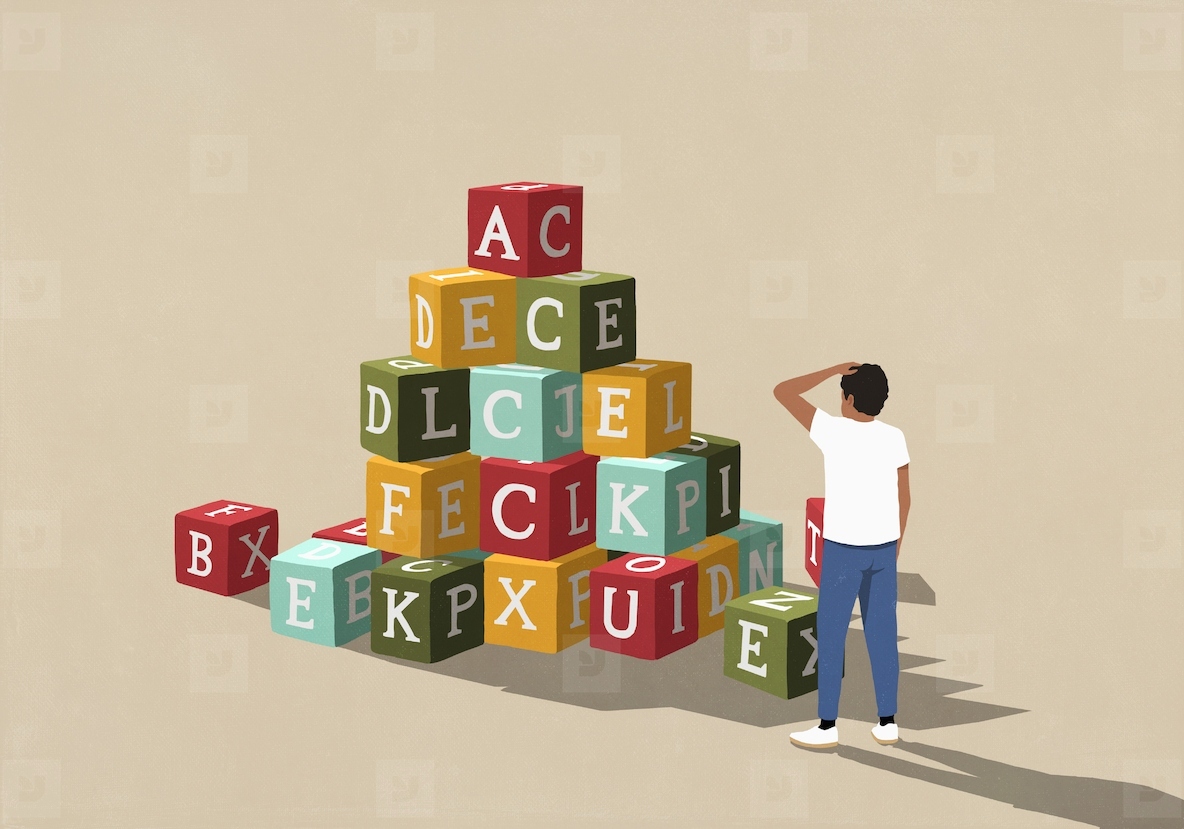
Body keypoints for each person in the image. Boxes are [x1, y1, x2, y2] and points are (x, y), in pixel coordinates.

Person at [773, 362, 911, 749]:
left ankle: (827, 726)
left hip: (842, 550)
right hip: (883, 549)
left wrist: (832, 367)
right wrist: (896, 544)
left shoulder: (832, 431)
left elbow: (783, 390)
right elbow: (905, 496)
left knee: (831, 636)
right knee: (882, 636)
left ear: (848, 399)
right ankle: (887, 722)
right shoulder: (895, 437)